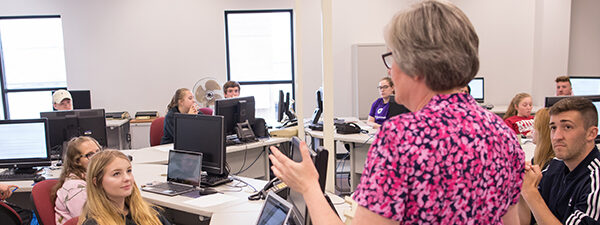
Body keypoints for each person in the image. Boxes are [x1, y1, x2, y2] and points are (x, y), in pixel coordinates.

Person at [269, 1, 524, 224]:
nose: (390, 70)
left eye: (393, 57)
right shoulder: (503, 134)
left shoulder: (401, 138)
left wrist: (308, 187)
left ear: (416, 65)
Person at [519, 97, 600, 224]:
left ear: (591, 133)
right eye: (553, 128)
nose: (556, 137)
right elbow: (526, 219)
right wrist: (521, 189)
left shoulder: (595, 181)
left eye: (567, 127)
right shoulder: (555, 166)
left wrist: (530, 192)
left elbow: (534, 198)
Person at [79, 150, 171, 225]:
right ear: (97, 182)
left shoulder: (150, 212)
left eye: (129, 171)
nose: (127, 178)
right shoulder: (95, 223)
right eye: (116, 174)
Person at [51, 136, 101, 225]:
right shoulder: (75, 189)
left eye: (98, 152)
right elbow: (88, 221)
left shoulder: (91, 177)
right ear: (77, 161)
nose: (97, 157)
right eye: (90, 155)